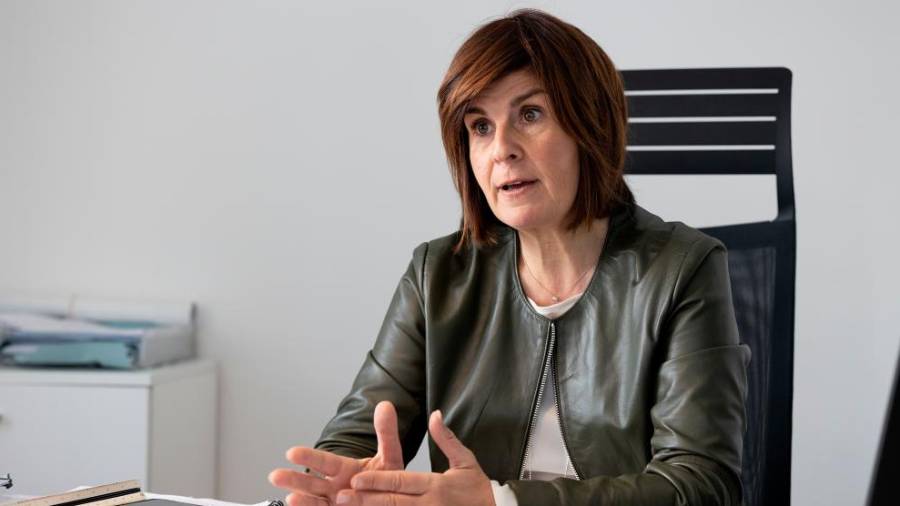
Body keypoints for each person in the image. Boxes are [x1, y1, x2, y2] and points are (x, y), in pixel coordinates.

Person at [269, 8, 750, 506]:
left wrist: (501, 501)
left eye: (530, 114)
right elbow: (356, 433)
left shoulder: (681, 269)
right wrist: (344, 481)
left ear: (592, 126)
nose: (502, 148)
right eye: (480, 126)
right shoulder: (437, 276)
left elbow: (699, 485)